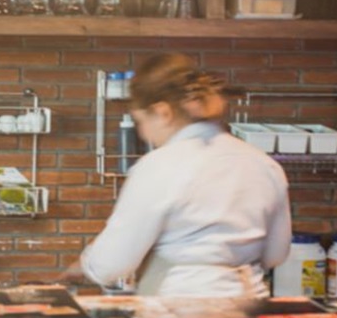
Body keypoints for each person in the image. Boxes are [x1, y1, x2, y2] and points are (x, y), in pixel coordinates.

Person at [72, 53, 291, 297]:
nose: (143, 133)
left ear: (162, 112)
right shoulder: (263, 163)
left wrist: (86, 266)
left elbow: (111, 264)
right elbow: (276, 254)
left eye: (141, 121)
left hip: (183, 312)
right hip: (251, 307)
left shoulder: (158, 166)